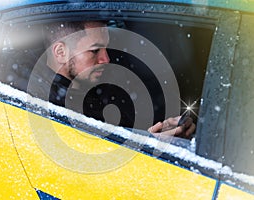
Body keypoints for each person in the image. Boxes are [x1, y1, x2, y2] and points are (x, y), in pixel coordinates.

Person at [28, 20, 195, 139]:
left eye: (106, 48)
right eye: (95, 51)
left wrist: (154, 135)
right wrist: (148, 147)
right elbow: (90, 167)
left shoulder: (95, 85)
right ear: (60, 53)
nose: (106, 59)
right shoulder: (43, 107)